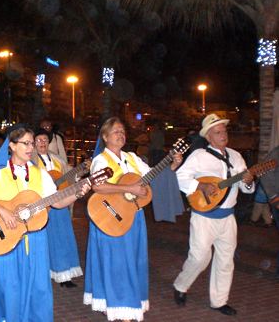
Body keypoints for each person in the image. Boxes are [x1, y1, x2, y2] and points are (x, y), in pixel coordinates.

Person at [0, 125, 91, 322]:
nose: (30, 147)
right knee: (8, 285)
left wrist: (76, 193)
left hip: (35, 240)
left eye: (32, 143)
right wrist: (3, 211)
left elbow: (57, 201)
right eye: (25, 143)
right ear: (11, 145)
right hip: (7, 238)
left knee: (37, 286)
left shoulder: (39, 174)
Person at [84, 117, 181, 322]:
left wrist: (171, 165)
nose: (121, 134)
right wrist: (128, 188)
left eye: (122, 131)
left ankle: (121, 301)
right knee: (115, 261)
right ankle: (119, 304)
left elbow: (151, 176)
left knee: (132, 260)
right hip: (109, 216)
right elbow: (98, 187)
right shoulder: (101, 160)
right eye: (116, 131)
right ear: (105, 136)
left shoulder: (132, 158)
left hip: (133, 216)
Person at [173, 113, 254, 316]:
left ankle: (219, 301)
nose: (223, 134)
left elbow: (246, 189)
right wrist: (200, 185)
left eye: (224, 130)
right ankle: (181, 285)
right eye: (217, 132)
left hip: (228, 217)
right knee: (200, 257)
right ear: (208, 137)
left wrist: (248, 181)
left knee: (226, 261)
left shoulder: (236, 157)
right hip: (204, 217)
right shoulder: (199, 156)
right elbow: (180, 177)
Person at [33, 128, 83, 287]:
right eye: (39, 140)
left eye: (45, 140)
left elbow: (68, 177)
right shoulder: (30, 161)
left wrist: (80, 171)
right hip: (41, 207)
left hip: (59, 204)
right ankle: (43, 274)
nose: (42, 143)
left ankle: (64, 275)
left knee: (63, 238)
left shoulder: (58, 159)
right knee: (43, 241)